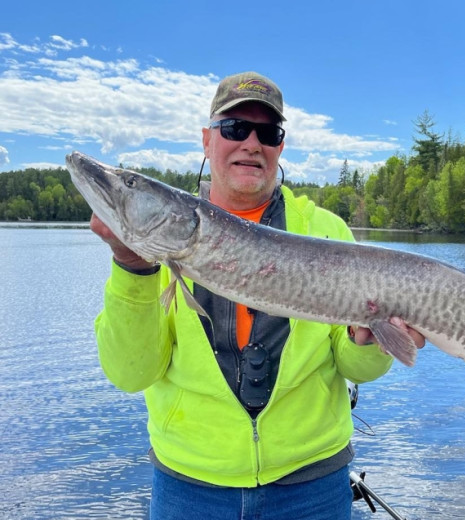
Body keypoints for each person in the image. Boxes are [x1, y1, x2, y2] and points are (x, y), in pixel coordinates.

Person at [89, 71, 425, 520]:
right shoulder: (167, 239)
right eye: (234, 129)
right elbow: (131, 373)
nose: (251, 143)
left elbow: (351, 364)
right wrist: (133, 268)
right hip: (191, 488)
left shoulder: (326, 231)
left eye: (267, 132)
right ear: (207, 141)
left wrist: (369, 343)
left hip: (312, 486)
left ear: (279, 146)